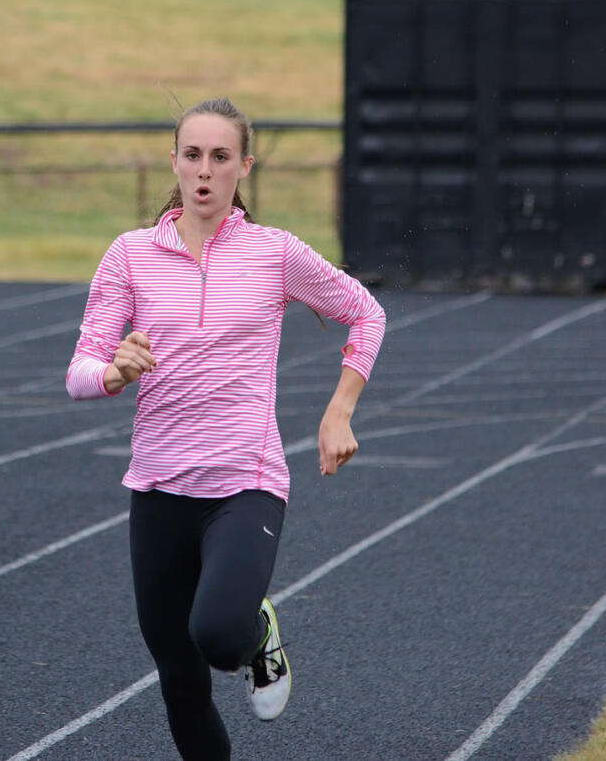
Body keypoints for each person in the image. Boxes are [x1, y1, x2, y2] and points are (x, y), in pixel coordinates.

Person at [65, 97, 385, 760]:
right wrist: (115, 373)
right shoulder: (129, 255)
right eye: (191, 156)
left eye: (219, 157)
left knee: (217, 637)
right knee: (180, 683)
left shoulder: (275, 254)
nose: (204, 171)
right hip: (157, 490)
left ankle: (256, 631)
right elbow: (80, 371)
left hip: (245, 482)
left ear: (245, 165)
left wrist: (339, 410)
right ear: (174, 163)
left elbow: (366, 313)